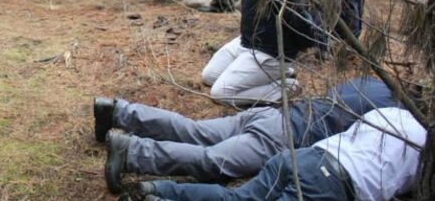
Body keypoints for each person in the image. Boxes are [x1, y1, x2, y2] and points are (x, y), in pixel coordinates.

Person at [95, 77, 398, 193]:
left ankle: (119, 111)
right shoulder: (391, 115)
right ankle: (132, 152)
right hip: (283, 135)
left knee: (194, 130)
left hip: (274, 113)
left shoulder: (372, 83)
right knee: (211, 162)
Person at [132, 107, 424, 201]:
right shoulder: (424, 148)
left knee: (237, 198)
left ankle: (157, 189)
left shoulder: (391, 112)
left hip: (305, 156)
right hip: (331, 185)